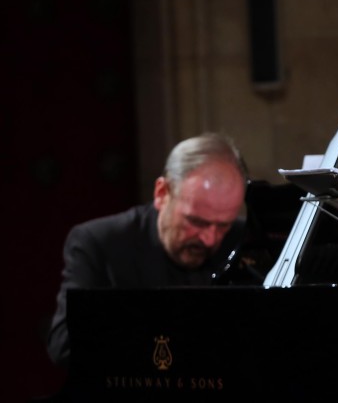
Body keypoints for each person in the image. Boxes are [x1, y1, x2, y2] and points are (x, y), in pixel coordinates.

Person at [47, 132, 248, 368]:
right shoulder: (99, 242)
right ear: (162, 193)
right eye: (196, 221)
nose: (209, 238)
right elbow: (63, 346)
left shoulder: (244, 241)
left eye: (223, 225)